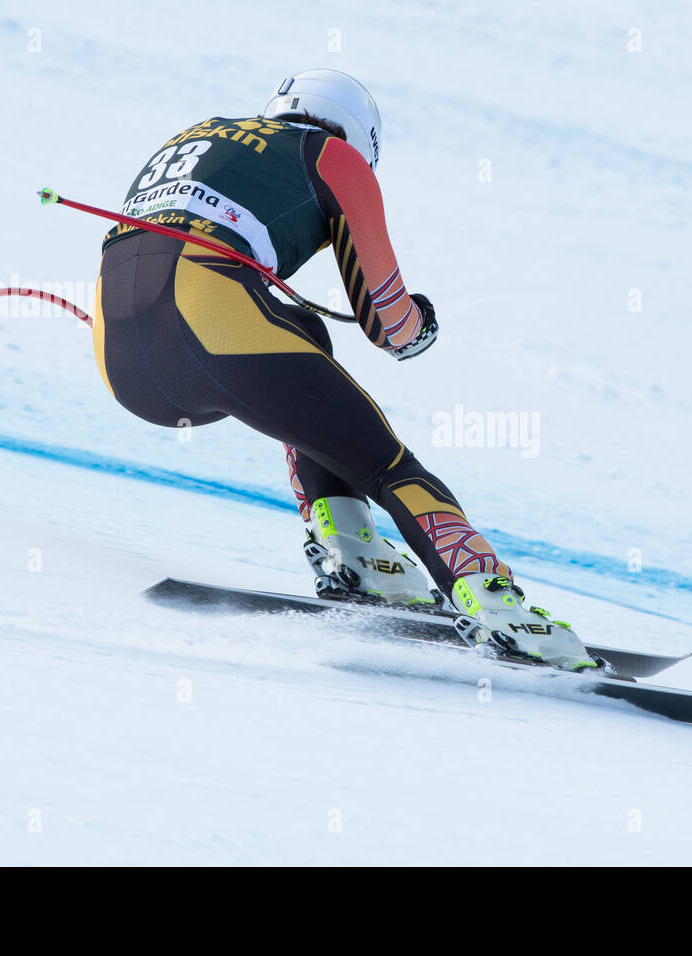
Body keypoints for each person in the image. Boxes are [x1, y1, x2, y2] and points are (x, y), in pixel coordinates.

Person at [92, 69, 594, 671]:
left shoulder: (197, 132)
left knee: (306, 333)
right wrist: (420, 326)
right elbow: (388, 323)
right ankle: (501, 610)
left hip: (122, 358)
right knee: (387, 466)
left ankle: (354, 555)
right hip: (211, 324)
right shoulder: (332, 156)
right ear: (361, 139)